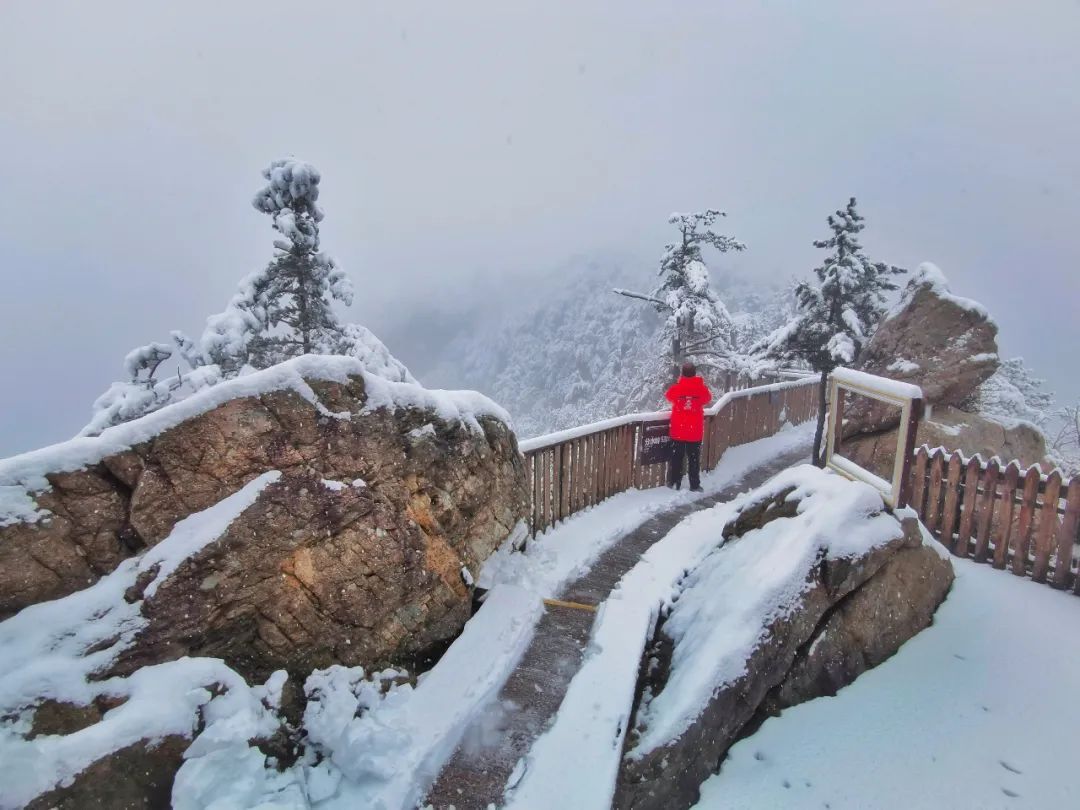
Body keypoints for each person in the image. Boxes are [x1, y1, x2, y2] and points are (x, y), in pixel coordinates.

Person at [665, 362, 712, 492]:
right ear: (694, 373)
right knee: (694, 459)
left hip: (678, 430)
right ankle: (694, 485)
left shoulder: (677, 388)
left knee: (677, 459)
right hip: (694, 431)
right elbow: (708, 398)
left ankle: (675, 482)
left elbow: (668, 396)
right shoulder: (701, 389)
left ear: (682, 374)